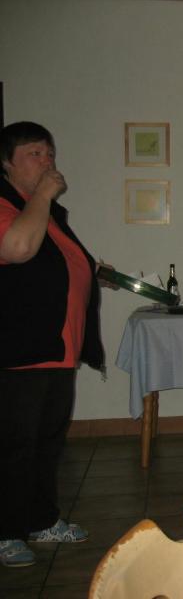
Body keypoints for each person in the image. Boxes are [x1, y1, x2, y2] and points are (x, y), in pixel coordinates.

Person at [0, 122, 112, 567]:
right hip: (19, 351)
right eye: (34, 154)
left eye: (49, 153)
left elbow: (62, 263)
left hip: (57, 349)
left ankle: (41, 519)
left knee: (47, 441)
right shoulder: (10, 204)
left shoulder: (45, 212)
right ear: (6, 163)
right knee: (15, 446)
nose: (47, 162)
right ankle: (6, 532)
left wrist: (93, 272)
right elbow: (17, 248)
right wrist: (44, 195)